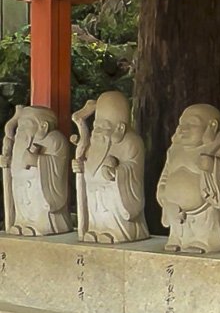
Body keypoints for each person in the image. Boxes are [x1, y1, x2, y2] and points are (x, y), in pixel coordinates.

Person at [157, 104, 220, 254]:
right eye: (182, 123)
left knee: (207, 223)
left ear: (212, 125)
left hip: (207, 206)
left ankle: (204, 241)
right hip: (175, 208)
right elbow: (166, 173)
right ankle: (177, 239)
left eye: (192, 124)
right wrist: (163, 192)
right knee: (178, 229)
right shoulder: (175, 149)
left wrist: (214, 166)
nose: (184, 128)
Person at [73, 91, 148, 244]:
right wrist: (81, 166)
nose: (97, 130)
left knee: (110, 209)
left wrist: (116, 172)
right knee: (96, 209)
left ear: (120, 128)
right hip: (95, 194)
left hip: (115, 199)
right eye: (96, 125)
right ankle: (95, 229)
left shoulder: (131, 142)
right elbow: (89, 162)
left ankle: (117, 231)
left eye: (104, 126)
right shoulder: (95, 143)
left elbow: (134, 169)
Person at [2, 106, 71, 237]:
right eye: (20, 125)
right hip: (22, 187)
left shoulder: (54, 139)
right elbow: (17, 165)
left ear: (43, 126)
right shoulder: (20, 141)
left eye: (25, 124)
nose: (20, 129)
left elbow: (57, 166)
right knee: (23, 201)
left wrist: (36, 160)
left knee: (38, 203)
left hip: (41, 190)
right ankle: (22, 222)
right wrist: (8, 163)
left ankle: (42, 224)